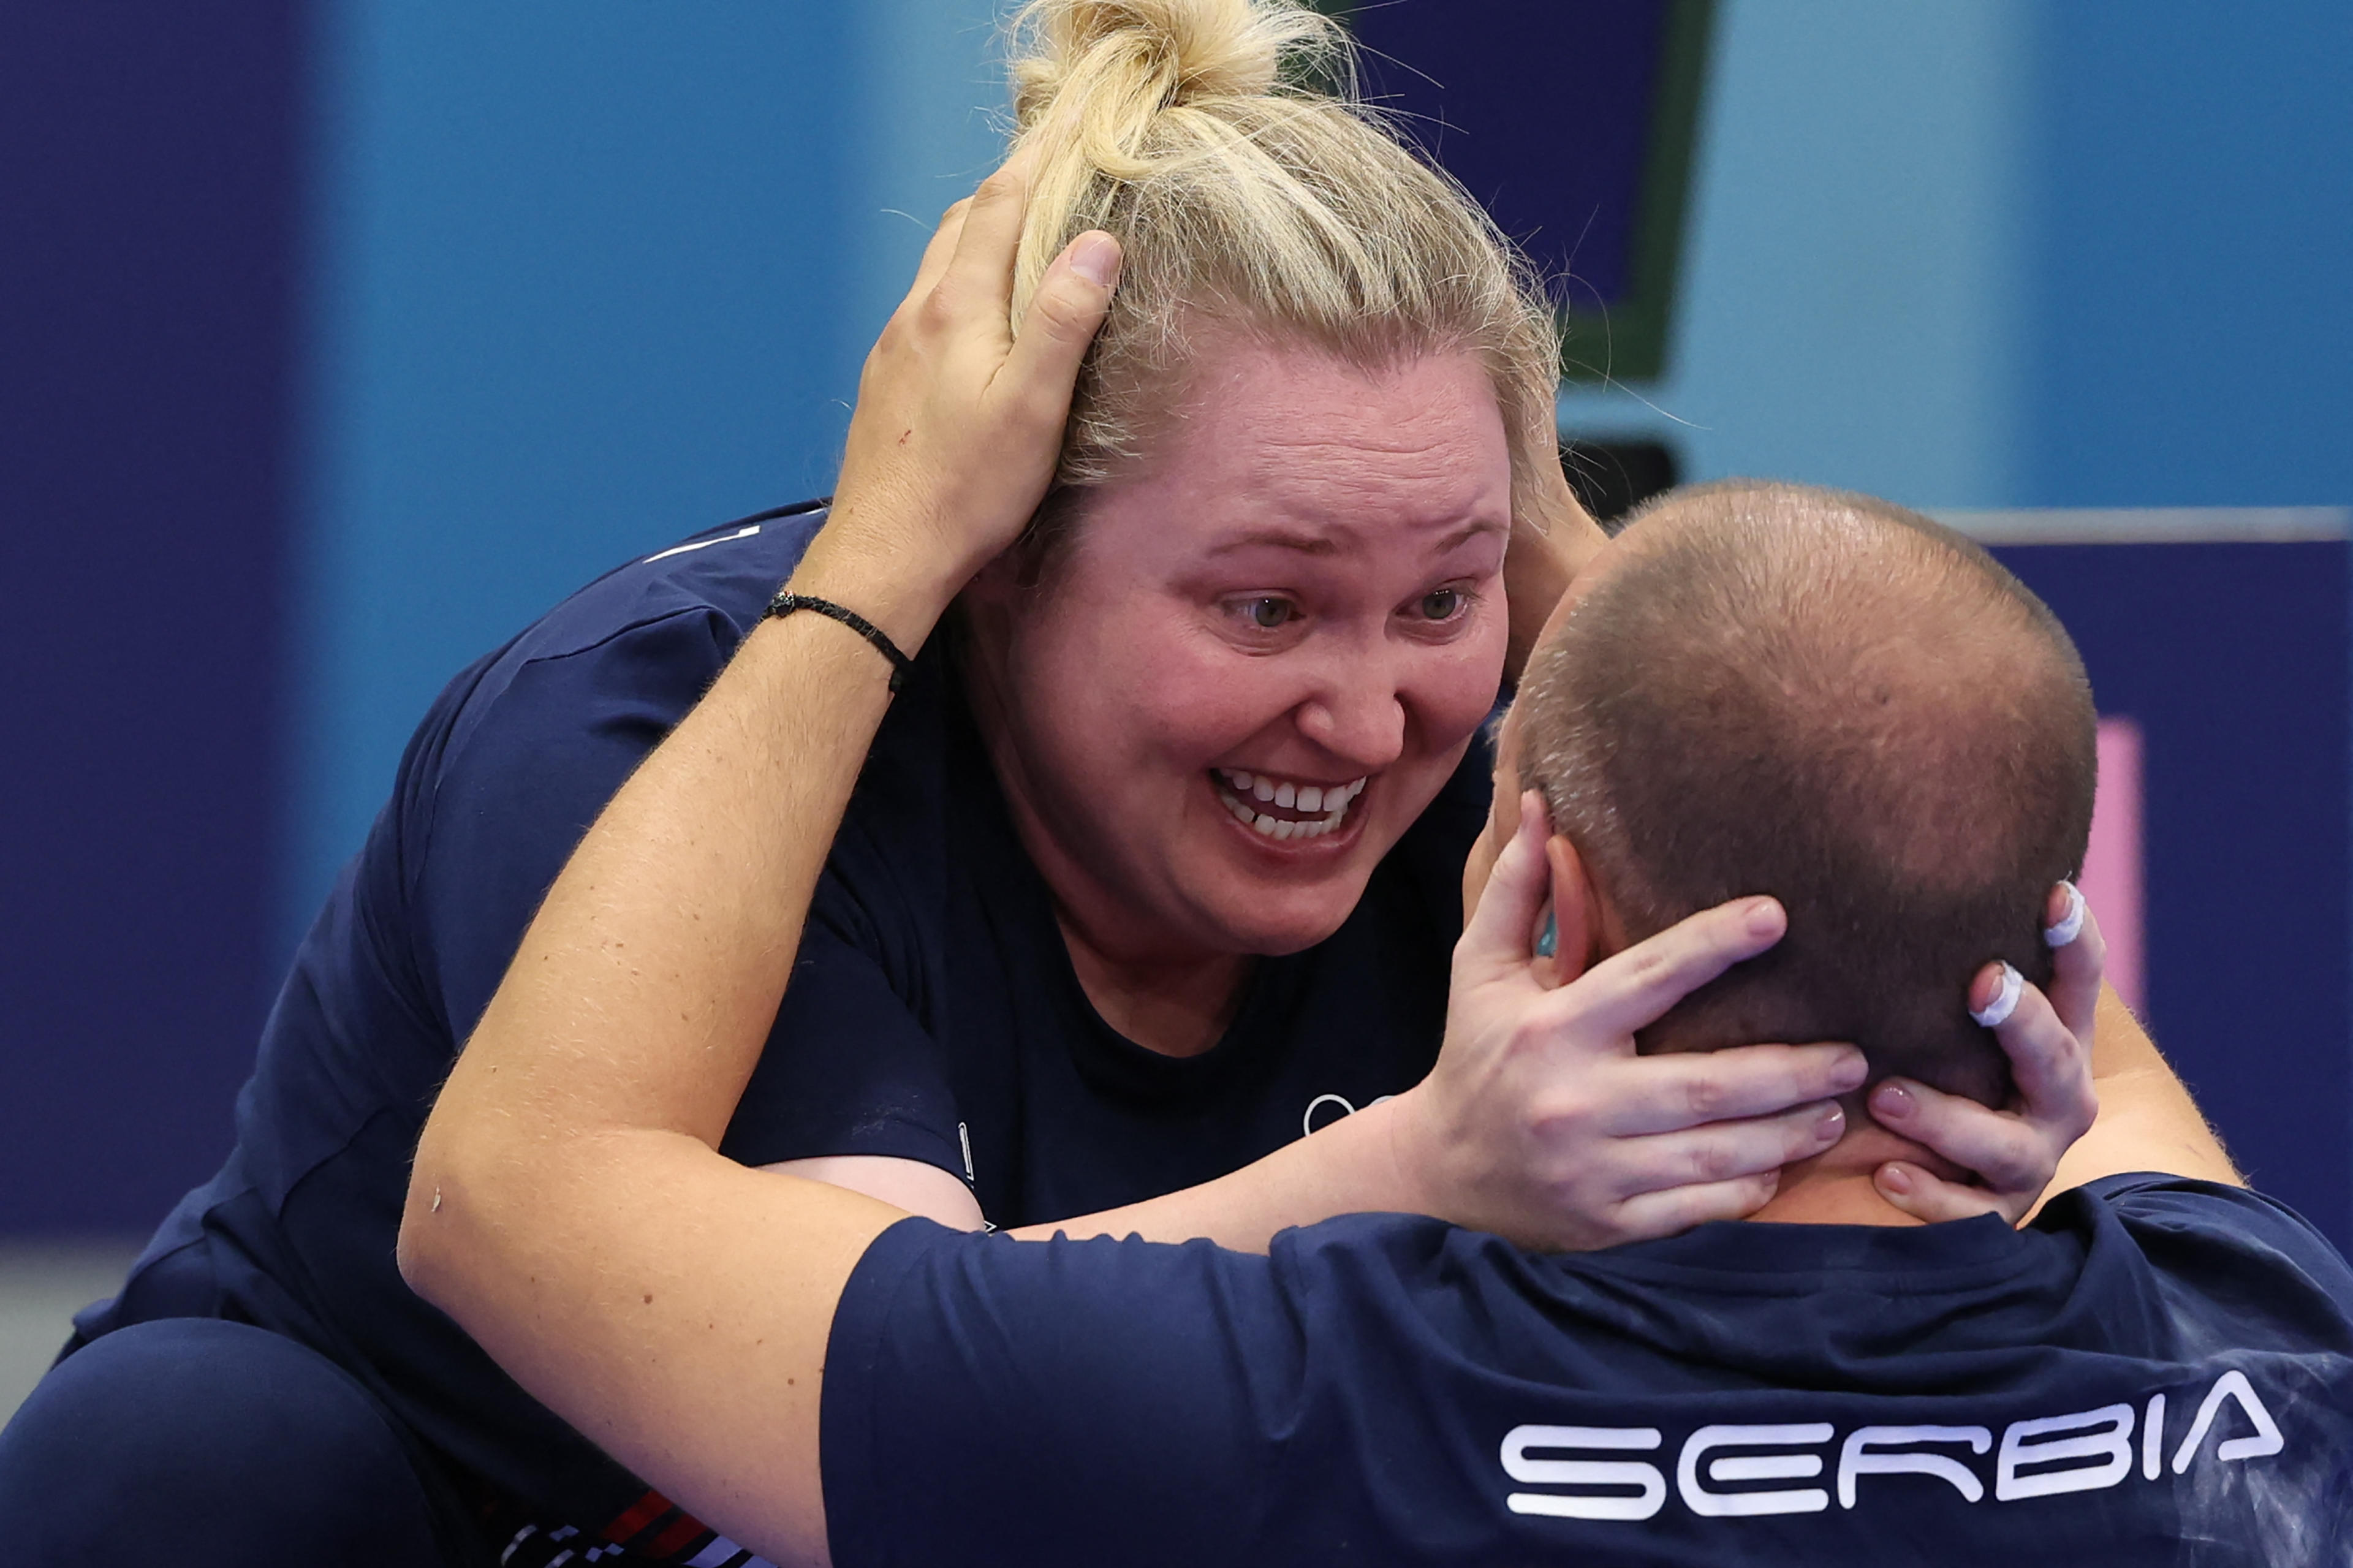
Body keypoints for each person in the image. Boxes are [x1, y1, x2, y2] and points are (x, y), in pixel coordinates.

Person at [0, 2, 2147, 1560]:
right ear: (1004, 557)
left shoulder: (1529, 765)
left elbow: (1914, 979)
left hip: (1047, 1476)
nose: (1373, 714)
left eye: (1442, 595)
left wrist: (1950, 1117)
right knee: (190, 1467)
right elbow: (892, 1398)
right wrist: (1435, 1166)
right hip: (539, 1488)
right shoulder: (638, 737)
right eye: (1267, 609)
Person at [398, 480, 2338, 1568]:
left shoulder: (1260, 1406)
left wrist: (881, 564)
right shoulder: (2272, 1361)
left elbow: (513, 1195)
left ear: (1547, 893)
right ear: (2047, 965)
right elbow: (2028, 957)